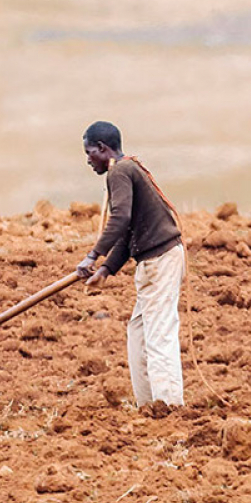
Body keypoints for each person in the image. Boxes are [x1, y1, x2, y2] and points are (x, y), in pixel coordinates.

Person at [76, 120, 185, 411]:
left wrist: (93, 254)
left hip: (161, 259)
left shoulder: (120, 171)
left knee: (159, 334)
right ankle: (149, 406)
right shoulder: (126, 169)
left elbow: (120, 220)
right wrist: (106, 269)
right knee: (138, 332)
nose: (88, 159)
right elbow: (127, 232)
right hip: (153, 261)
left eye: (89, 152)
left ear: (102, 148)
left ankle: (170, 408)